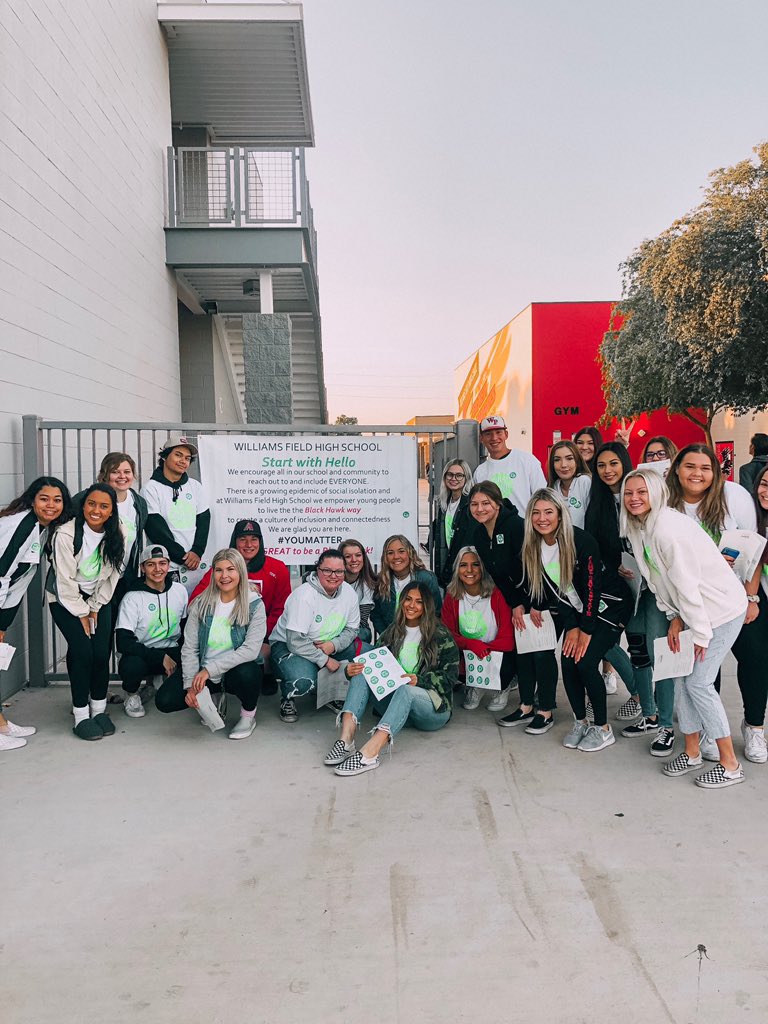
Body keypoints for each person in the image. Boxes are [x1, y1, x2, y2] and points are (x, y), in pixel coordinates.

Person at [622, 470, 747, 788]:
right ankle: (692, 753)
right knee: (679, 680)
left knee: (699, 683)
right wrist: (674, 616)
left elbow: (688, 586)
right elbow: (658, 581)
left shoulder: (667, 529)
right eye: (628, 492)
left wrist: (701, 633)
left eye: (642, 491)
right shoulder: (640, 527)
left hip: (721, 611)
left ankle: (730, 764)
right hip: (693, 613)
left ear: (656, 493)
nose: (634, 498)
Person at [512, 489, 632, 749]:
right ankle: (581, 721)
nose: (542, 518)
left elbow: (592, 589)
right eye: (536, 513)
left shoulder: (581, 541)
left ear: (559, 514)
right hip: (579, 613)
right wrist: (573, 626)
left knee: (586, 662)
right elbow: (559, 594)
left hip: (609, 609)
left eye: (548, 512)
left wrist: (584, 631)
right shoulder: (534, 547)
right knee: (567, 662)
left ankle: (602, 727)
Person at [324, 581, 459, 776]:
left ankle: (370, 753)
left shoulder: (440, 635)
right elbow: (375, 666)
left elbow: (450, 678)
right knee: (364, 671)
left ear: (426, 606)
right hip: (396, 706)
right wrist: (350, 671)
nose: (411, 605)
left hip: (431, 709)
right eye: (408, 599)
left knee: (405, 688)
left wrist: (419, 680)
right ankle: (346, 740)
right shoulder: (391, 633)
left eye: (419, 602)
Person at [155, 548, 265, 739]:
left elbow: (250, 650)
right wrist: (191, 685)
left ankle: (248, 716)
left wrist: (210, 671)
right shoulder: (201, 603)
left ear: (240, 571)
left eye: (230, 569)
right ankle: (211, 697)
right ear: (213, 573)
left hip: (233, 670)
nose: (225, 576)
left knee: (249, 672)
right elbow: (189, 648)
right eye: (219, 570)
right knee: (165, 701)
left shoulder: (254, 604)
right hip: (203, 671)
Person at [46, 483, 125, 740]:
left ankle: (99, 709)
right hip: (64, 598)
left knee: (101, 652)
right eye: (91, 504)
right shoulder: (66, 534)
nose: (96, 510)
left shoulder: (118, 532)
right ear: (83, 505)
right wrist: (81, 612)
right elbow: (64, 580)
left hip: (97, 599)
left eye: (104, 506)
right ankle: (80, 714)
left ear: (112, 511)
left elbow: (114, 574)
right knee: (82, 650)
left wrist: (94, 608)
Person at [0, 476, 70, 751]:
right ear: (32, 500)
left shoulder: (40, 528)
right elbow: (2, 573)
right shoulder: (21, 526)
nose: (51, 505)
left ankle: (1, 723)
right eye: (44, 499)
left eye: (57, 500)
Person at [190, 519, 290, 682]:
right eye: (243, 539)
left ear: (260, 541)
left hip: (263, 633)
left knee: (262, 654)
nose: (248, 544)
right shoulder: (222, 569)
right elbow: (195, 601)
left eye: (254, 539)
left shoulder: (278, 568)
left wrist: (261, 636)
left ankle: (266, 675)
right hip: (228, 630)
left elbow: (281, 609)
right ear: (234, 542)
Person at [270, 549, 362, 723]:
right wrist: (325, 660)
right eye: (327, 570)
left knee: (365, 654)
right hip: (291, 646)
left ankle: (331, 693)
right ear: (317, 570)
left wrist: (333, 645)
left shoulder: (349, 593)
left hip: (328, 643)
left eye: (339, 571)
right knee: (303, 680)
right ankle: (288, 696)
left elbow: (352, 629)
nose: (333, 576)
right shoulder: (304, 596)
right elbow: (295, 641)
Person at [584, 442, 641, 715]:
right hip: (613, 584)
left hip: (646, 582)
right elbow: (595, 545)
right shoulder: (597, 503)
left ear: (625, 463)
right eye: (601, 465)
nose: (608, 470)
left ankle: (646, 702)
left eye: (613, 463)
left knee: (639, 643)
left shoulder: (639, 496)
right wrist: (612, 565)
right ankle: (640, 692)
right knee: (605, 641)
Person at [115, 544, 188, 719]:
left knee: (196, 656)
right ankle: (132, 695)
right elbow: (123, 642)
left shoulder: (180, 591)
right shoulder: (132, 597)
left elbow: (186, 629)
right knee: (131, 665)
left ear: (168, 565)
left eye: (162, 563)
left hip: (171, 650)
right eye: (151, 564)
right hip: (142, 652)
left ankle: (156, 685)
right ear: (142, 568)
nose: (157, 569)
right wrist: (160, 657)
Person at [441, 546, 514, 710]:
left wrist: (483, 647)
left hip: (497, 651)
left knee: (509, 656)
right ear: (457, 569)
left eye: (475, 564)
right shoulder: (452, 595)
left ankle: (502, 686)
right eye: (463, 565)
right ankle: (475, 684)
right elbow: (447, 634)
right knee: (448, 653)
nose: (469, 570)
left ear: (483, 567)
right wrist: (470, 644)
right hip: (469, 652)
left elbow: (508, 639)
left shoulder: (496, 593)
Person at [731, 465, 768, 762]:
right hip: (754, 594)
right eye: (764, 484)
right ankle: (755, 726)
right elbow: (751, 561)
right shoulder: (750, 518)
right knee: (755, 658)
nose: (766, 492)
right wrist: (751, 597)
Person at [141, 435, 210, 594]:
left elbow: (204, 521)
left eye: (187, 458)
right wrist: (183, 557)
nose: (183, 461)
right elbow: (155, 529)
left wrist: (197, 551)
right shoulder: (151, 489)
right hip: (167, 565)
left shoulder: (195, 486)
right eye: (178, 455)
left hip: (195, 564)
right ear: (165, 456)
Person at [473, 415, 546, 515]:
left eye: (498, 432)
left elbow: (542, 496)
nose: (494, 438)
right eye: (488, 434)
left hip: (525, 527)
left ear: (506, 434)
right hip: (494, 529)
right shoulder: (480, 471)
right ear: (481, 438)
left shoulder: (526, 460)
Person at [371, 535, 442, 635]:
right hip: (391, 640)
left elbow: (436, 613)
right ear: (385, 557)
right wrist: (387, 636)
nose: (396, 556)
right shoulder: (382, 581)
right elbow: (376, 615)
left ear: (410, 553)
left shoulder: (426, 579)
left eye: (401, 551)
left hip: (422, 637)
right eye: (390, 553)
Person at [432, 459, 473, 584]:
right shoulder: (443, 503)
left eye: (459, 475)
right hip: (446, 561)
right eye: (449, 474)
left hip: (464, 563)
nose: (453, 478)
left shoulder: (470, 503)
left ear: (466, 478)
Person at [546, 440, 591, 529]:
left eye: (569, 458)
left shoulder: (584, 481)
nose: (563, 465)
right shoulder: (553, 487)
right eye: (557, 460)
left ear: (577, 461)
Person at [339, 539, 378, 643]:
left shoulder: (369, 584)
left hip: (356, 630)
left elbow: (360, 622)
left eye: (358, 555)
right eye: (348, 556)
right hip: (330, 627)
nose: (354, 560)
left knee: (363, 634)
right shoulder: (333, 580)